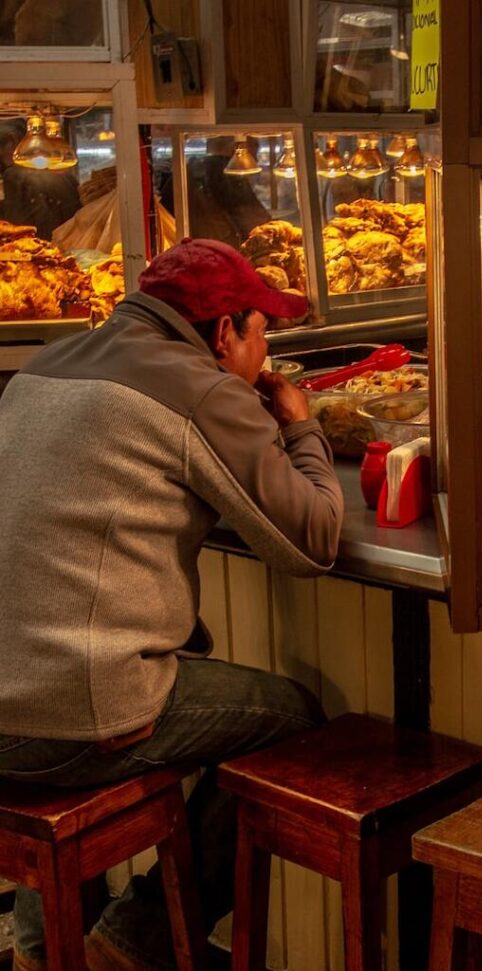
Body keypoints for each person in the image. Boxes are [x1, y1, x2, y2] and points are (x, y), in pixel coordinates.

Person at [0, 238, 344, 971]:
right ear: (225, 333)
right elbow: (312, 540)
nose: (266, 351)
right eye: (264, 334)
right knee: (294, 720)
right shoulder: (202, 386)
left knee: (181, 652)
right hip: (64, 719)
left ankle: (37, 948)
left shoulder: (42, 365)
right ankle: (133, 940)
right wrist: (299, 424)